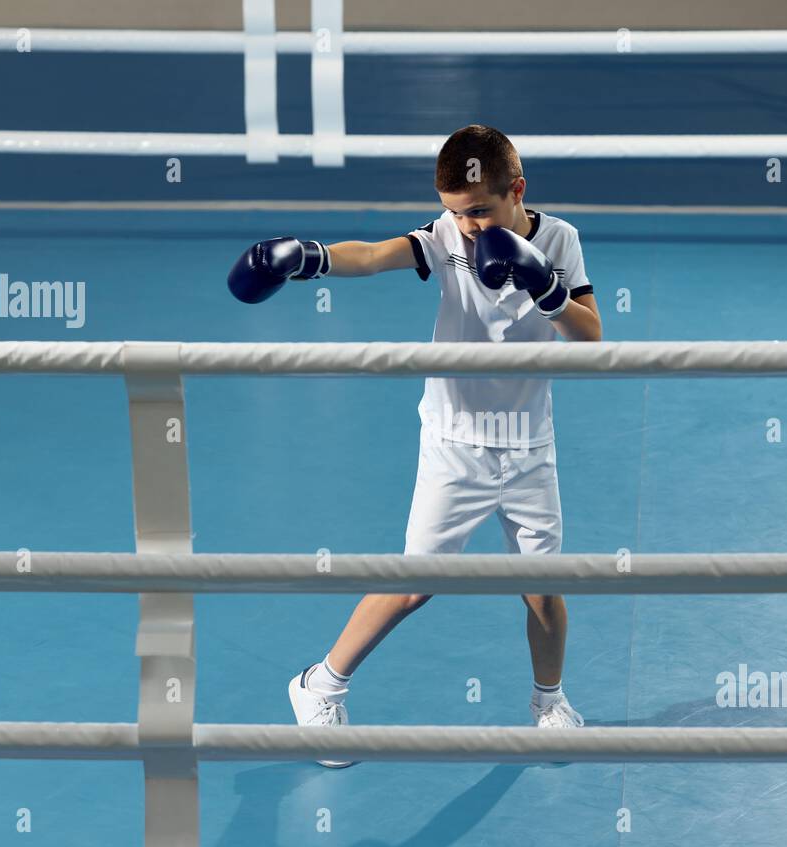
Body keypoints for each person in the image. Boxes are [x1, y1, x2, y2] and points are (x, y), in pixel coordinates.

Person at [227, 124, 602, 767]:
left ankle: (550, 703)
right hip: (454, 440)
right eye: (457, 213)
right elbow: (373, 256)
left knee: (543, 587)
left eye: (480, 211)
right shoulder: (446, 236)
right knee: (414, 582)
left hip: (528, 442)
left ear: (518, 190)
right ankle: (319, 685)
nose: (469, 226)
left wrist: (547, 286)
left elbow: (591, 339)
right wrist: (309, 257)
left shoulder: (560, 239)